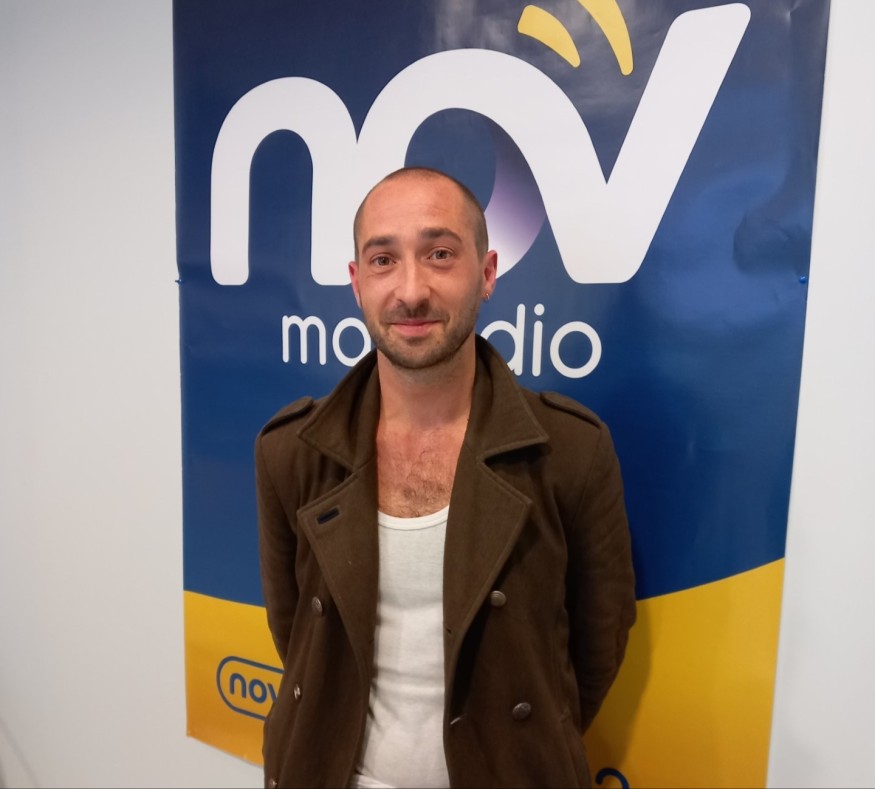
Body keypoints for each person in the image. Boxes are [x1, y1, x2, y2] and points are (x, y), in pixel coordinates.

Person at [255, 166, 636, 789]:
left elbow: (598, 646)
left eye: (439, 254)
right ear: (356, 282)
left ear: (486, 274)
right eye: (383, 260)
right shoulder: (289, 454)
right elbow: (293, 632)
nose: (411, 291)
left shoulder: (571, 452)